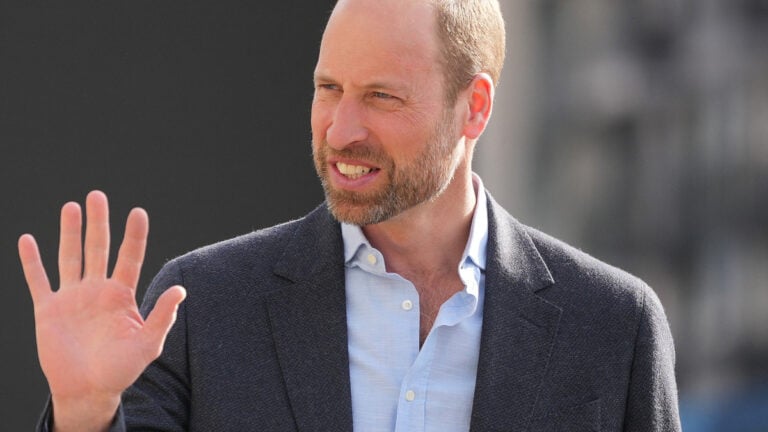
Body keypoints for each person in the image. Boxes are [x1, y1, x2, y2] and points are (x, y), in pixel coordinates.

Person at [19, 0, 681, 430]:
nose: (341, 130)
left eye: (382, 97)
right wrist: (84, 412)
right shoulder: (200, 311)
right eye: (329, 89)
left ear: (474, 106)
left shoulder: (613, 328)